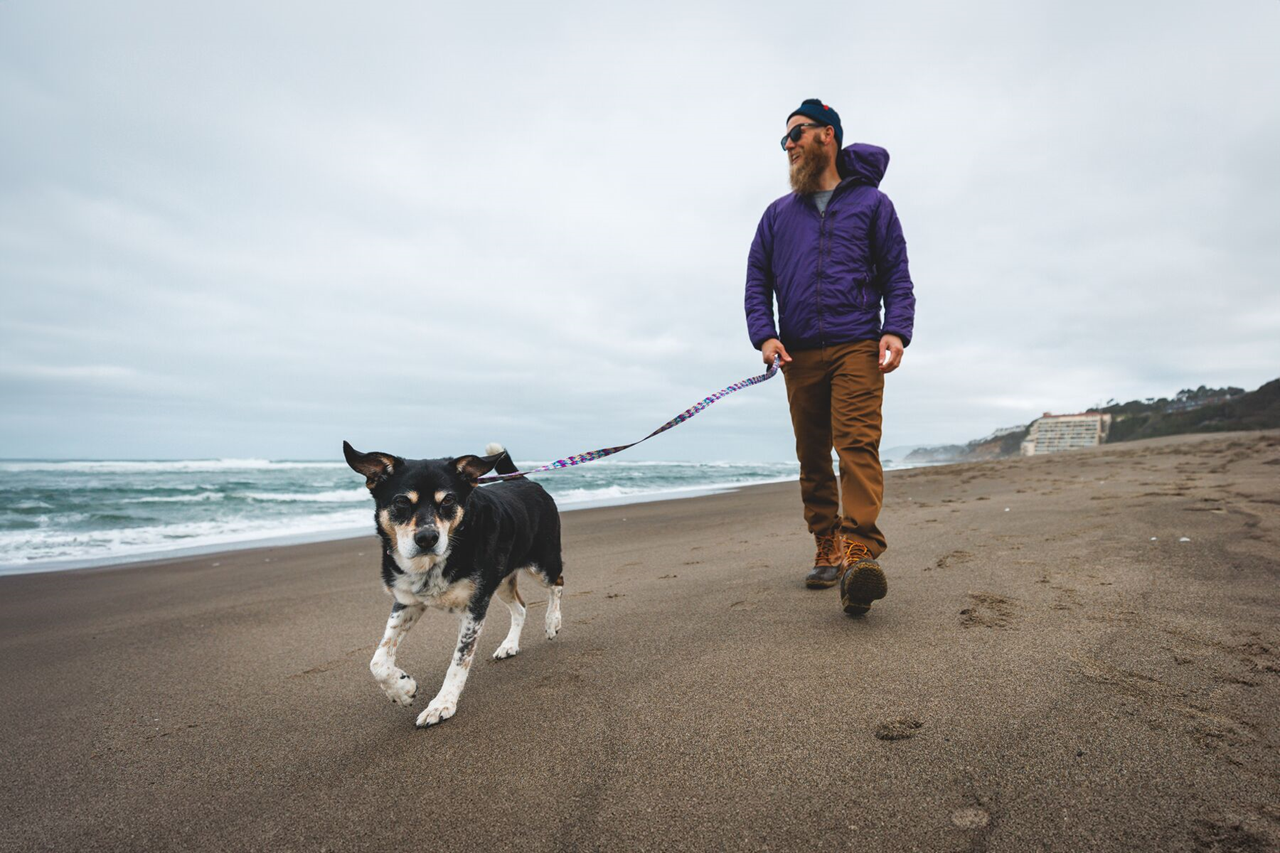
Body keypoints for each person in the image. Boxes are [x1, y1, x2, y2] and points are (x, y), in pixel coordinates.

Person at [744, 99, 916, 616]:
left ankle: (860, 553)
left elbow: (897, 275)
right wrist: (764, 336)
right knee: (813, 454)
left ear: (828, 135)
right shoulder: (777, 215)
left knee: (857, 444)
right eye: (784, 140)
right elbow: (757, 281)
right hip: (797, 354)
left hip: (857, 344)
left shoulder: (872, 205)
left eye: (796, 133)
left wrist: (896, 330)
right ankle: (827, 542)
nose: (789, 145)